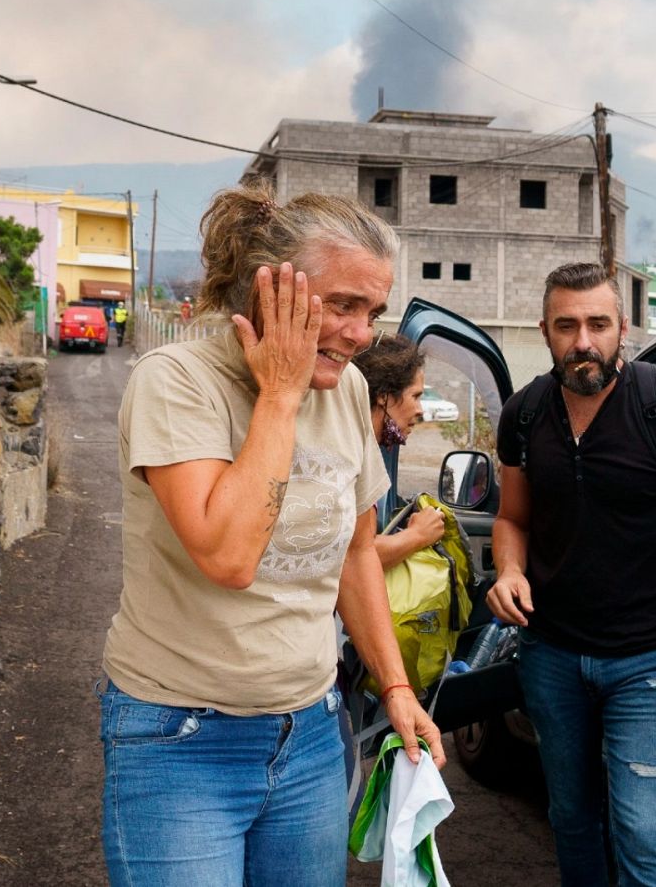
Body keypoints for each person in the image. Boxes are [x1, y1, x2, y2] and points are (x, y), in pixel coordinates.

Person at [101, 185, 444, 887]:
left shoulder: (347, 388)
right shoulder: (177, 382)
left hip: (311, 737)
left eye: (371, 312)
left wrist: (397, 686)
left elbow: (356, 552)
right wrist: (281, 396)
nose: (358, 334)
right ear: (268, 288)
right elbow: (227, 555)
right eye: (342, 304)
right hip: (179, 740)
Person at [487, 261, 656, 886]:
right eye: (567, 325)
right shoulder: (523, 415)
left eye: (598, 324)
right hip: (551, 655)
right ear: (544, 330)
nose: (583, 341)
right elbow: (511, 519)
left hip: (650, 661)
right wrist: (509, 570)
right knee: (571, 818)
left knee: (642, 834)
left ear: (622, 328)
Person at [352, 332, 446, 568]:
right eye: (415, 396)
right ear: (384, 396)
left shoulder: (363, 447)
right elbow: (354, 556)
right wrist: (418, 535)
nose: (420, 410)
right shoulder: (353, 454)